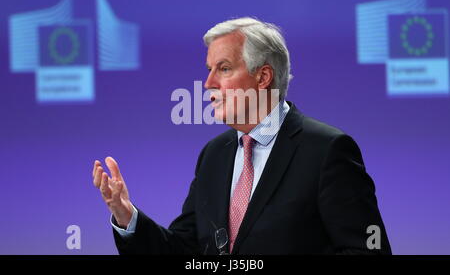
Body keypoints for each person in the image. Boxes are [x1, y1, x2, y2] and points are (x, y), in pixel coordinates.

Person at [92, 17, 391, 254]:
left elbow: (368, 251)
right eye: (209, 69)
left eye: (223, 69)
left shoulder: (326, 151)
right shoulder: (214, 154)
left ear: (262, 77)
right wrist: (126, 215)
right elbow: (185, 250)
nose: (208, 83)